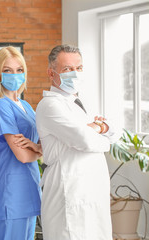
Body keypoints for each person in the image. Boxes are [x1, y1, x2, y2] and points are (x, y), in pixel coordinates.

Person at [36, 44, 120, 240]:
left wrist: (99, 128)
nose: (75, 74)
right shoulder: (50, 105)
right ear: (51, 73)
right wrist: (100, 129)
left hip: (93, 192)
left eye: (78, 68)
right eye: (67, 69)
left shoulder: (82, 103)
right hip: (69, 194)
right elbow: (85, 141)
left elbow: (116, 131)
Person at [0, 46, 42, 240]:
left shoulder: (25, 106)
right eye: (7, 70)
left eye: (19, 70)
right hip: (11, 190)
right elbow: (23, 155)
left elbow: (41, 141)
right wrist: (41, 150)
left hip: (30, 187)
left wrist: (38, 147)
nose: (14, 75)